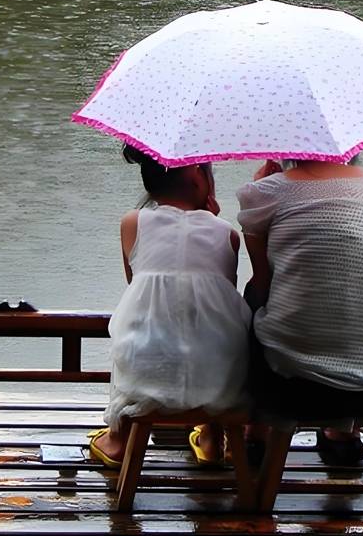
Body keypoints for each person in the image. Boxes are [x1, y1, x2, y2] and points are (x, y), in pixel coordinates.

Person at [236, 155, 363, 468]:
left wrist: (265, 186)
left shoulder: (265, 193)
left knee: (254, 300)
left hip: (295, 377)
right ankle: (344, 434)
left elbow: (263, 284)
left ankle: (257, 431)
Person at [87, 146, 251, 468]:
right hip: (218, 383)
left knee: (137, 328)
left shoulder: (133, 223)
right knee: (215, 332)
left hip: (145, 380)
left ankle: (119, 439)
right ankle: (211, 439)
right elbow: (219, 303)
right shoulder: (228, 234)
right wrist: (210, 219)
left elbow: (138, 290)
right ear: (195, 175)